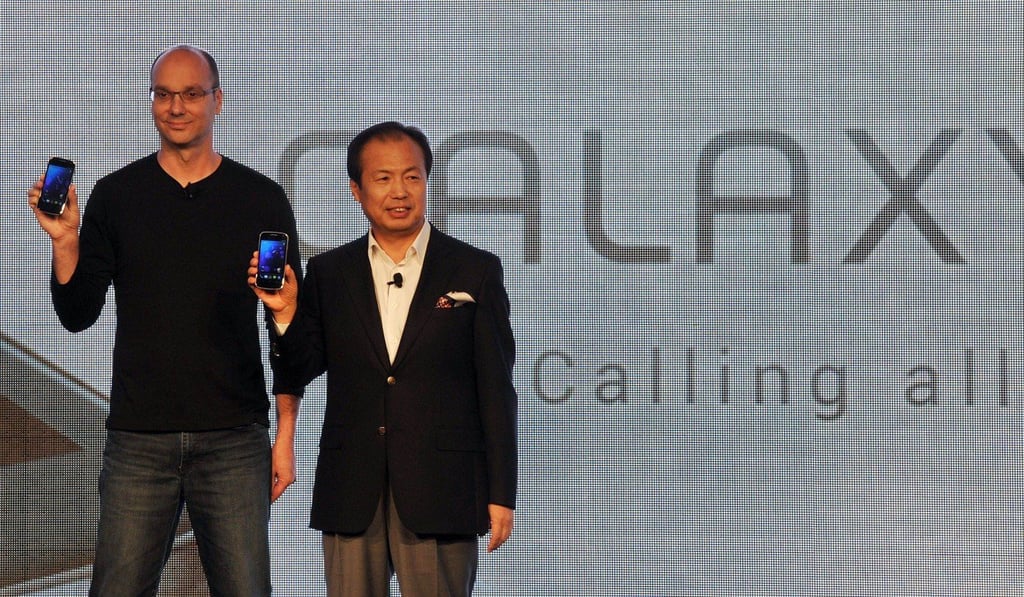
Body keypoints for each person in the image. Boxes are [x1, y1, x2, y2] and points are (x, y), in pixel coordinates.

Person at [26, 44, 302, 596]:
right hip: (138, 440)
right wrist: (64, 241)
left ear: (217, 101)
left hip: (234, 440)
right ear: (152, 102)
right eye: (164, 94)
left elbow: (293, 339)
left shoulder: (261, 199)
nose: (176, 106)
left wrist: (286, 434)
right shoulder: (116, 195)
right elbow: (77, 315)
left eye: (192, 93)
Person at [250, 121, 517, 596]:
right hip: (352, 487)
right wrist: (286, 313)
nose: (400, 191)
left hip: (442, 489)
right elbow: (300, 368)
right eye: (383, 178)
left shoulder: (473, 270)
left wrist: (501, 494)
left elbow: (496, 389)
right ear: (357, 190)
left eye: (413, 177)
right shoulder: (331, 272)